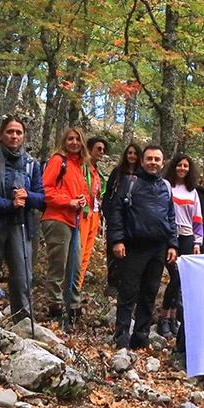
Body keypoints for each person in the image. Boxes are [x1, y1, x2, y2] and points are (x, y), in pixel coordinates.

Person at [105, 145, 177, 350]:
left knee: (149, 293)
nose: (153, 163)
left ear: (163, 163)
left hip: (158, 247)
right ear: (142, 161)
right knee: (128, 292)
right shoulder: (130, 182)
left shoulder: (166, 186)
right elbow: (116, 212)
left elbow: (171, 218)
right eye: (149, 159)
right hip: (134, 246)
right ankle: (121, 338)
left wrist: (172, 244)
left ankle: (141, 337)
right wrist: (117, 240)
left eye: (157, 159)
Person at [0, 116, 44, 321]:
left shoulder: (32, 164)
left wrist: (27, 196)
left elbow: (42, 198)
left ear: (23, 137)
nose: (14, 136)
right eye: (10, 132)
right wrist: (8, 205)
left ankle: (22, 320)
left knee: (23, 277)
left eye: (18, 132)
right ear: (1, 134)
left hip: (21, 226)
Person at [40, 128, 94, 320]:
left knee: (75, 264)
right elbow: (45, 189)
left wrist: (82, 200)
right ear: (64, 141)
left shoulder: (79, 166)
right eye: (70, 139)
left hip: (74, 220)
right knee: (59, 264)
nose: (74, 142)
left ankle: (73, 306)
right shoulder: (58, 161)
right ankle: (55, 306)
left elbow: (84, 193)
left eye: (77, 139)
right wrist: (67, 201)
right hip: (57, 218)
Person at [157, 153, 203, 339]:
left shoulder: (193, 191)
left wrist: (198, 242)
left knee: (181, 279)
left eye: (186, 166)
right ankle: (163, 316)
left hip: (187, 237)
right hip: (168, 235)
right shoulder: (166, 186)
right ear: (174, 166)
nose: (182, 168)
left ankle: (172, 318)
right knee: (175, 276)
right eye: (179, 165)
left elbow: (198, 218)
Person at [102, 142, 141, 295]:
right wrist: (108, 214)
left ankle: (127, 284)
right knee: (113, 250)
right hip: (115, 217)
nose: (132, 156)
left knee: (130, 252)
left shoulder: (142, 174)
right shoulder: (118, 172)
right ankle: (112, 283)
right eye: (129, 153)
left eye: (135, 153)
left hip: (134, 220)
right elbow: (108, 194)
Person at [75, 136, 107, 292]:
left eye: (103, 150)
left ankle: (77, 287)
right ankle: (71, 288)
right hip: (83, 215)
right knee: (78, 254)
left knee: (86, 253)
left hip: (94, 215)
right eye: (98, 149)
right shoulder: (81, 168)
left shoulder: (96, 171)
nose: (101, 152)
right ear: (89, 149)